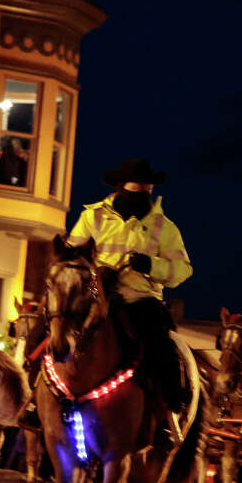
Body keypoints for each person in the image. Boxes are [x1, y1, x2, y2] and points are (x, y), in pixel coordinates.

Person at [66, 157, 193, 445]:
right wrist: (96, 273)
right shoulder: (93, 217)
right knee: (50, 330)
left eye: (145, 191)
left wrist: (151, 266)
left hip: (141, 299)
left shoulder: (164, 227)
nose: (140, 196)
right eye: (134, 191)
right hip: (95, 297)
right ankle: (33, 403)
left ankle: (170, 412)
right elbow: (72, 256)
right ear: (120, 188)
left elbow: (183, 269)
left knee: (161, 347)